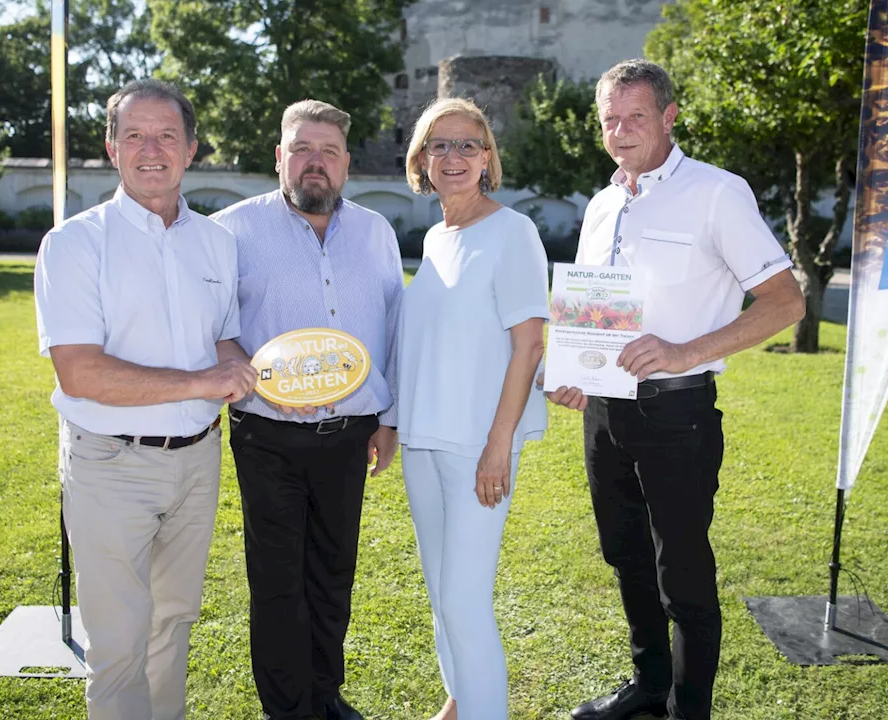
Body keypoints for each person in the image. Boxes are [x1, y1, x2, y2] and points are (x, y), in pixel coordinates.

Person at [547, 60, 806, 720]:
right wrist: (575, 370)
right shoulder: (602, 203)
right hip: (605, 413)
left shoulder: (717, 192)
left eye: (636, 117)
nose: (621, 131)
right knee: (625, 554)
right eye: (609, 119)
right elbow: (597, 311)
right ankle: (649, 688)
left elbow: (785, 302)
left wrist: (685, 351)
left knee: (683, 577)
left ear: (669, 117)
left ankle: (691, 712)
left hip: (678, 414)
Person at [34, 78, 256, 720]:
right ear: (111, 148)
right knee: (118, 641)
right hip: (111, 464)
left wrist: (265, 373)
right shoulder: (74, 244)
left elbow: (225, 342)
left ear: (191, 149)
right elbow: (80, 374)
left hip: (197, 460)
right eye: (134, 135)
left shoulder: (216, 243)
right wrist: (202, 384)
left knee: (174, 624)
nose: (150, 149)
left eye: (166, 135)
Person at [211, 100, 403, 720]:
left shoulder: (377, 230)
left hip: (349, 435)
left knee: (332, 571)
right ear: (279, 157)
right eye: (301, 149)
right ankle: (287, 708)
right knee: (276, 579)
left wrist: (389, 418)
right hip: (268, 434)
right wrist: (236, 362)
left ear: (347, 163)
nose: (313, 163)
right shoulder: (232, 231)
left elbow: (395, 325)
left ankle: (325, 693)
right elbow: (213, 325)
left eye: (327, 152)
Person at [396, 98, 550, 720]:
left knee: (464, 600)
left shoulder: (513, 232)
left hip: (478, 449)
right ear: (422, 161)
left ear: (487, 158)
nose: (453, 157)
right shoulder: (435, 237)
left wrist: (498, 445)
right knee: (440, 593)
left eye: (467, 145)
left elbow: (529, 343)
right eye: (440, 145)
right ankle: (460, 701)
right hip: (423, 441)